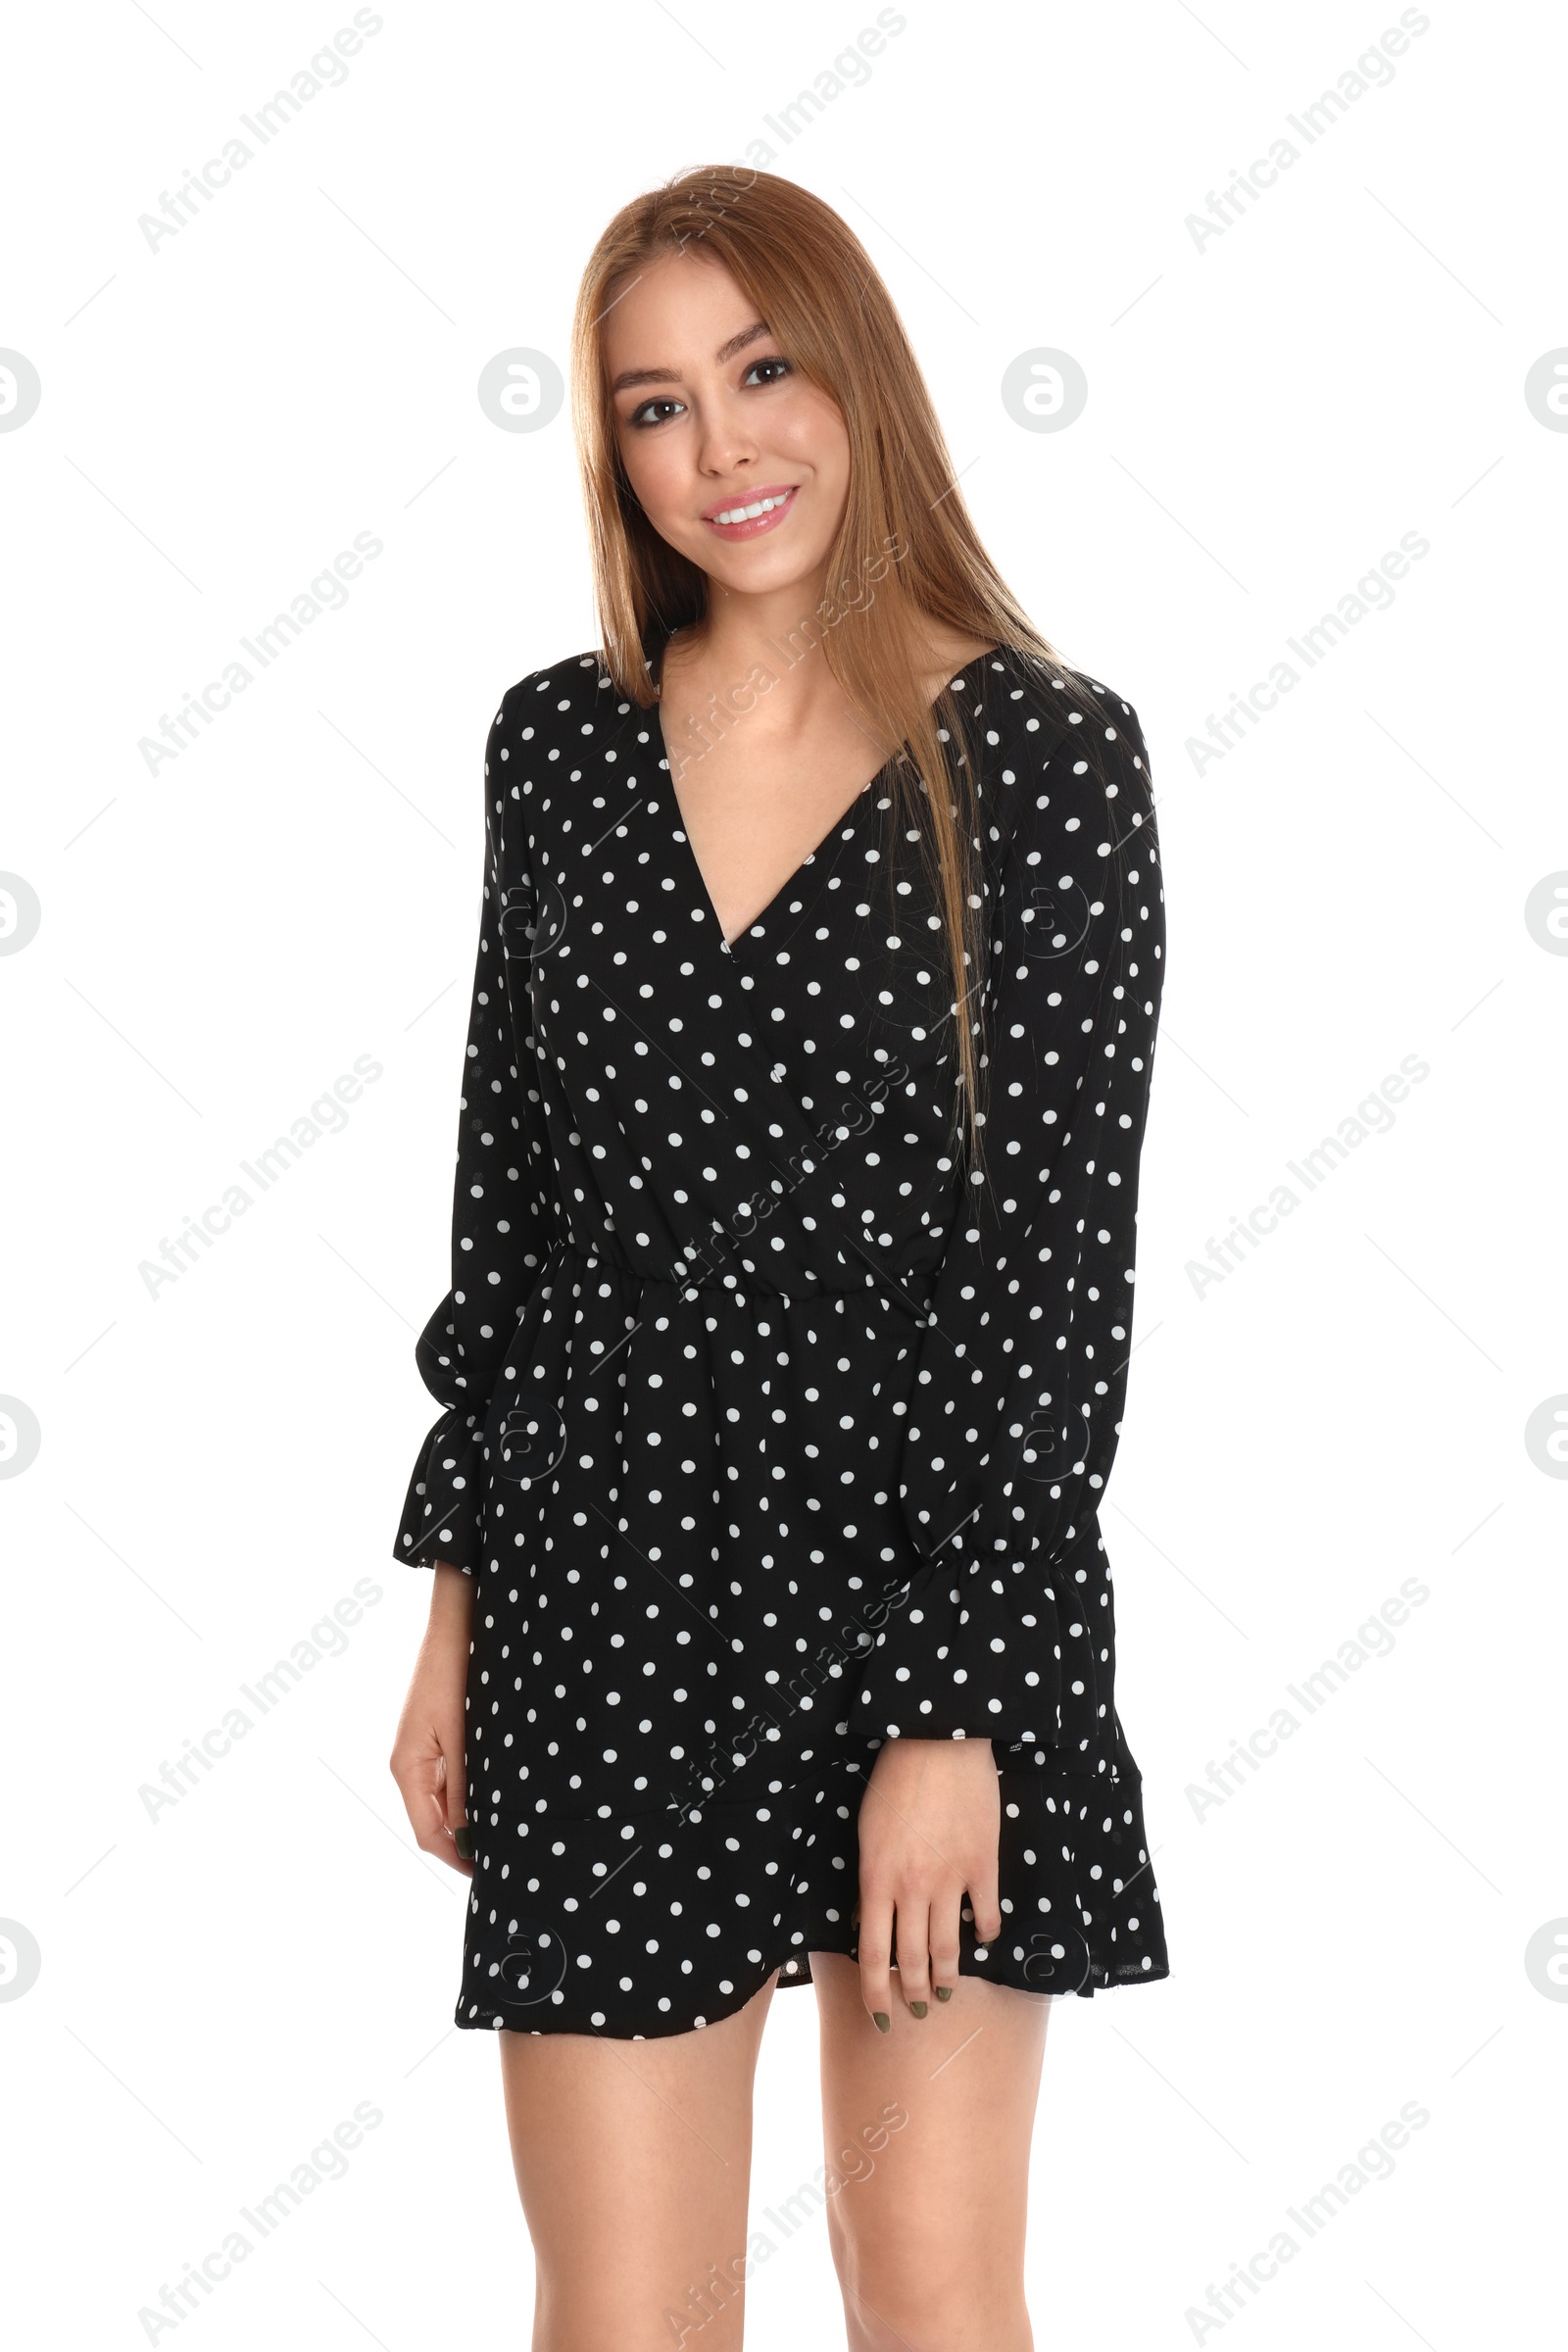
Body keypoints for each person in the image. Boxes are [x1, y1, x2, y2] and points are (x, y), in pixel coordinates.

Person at [390, 165, 1169, 2352]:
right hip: (601, 1602)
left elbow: (1049, 1293)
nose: (720, 447)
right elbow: (510, 1220)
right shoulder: (559, 749)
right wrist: (456, 1622)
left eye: (760, 370)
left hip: (930, 1601)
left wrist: (954, 1709)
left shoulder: (1038, 759)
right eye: (652, 406)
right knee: (622, 2315)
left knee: (923, 2295)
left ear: (858, 378)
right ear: (610, 453)